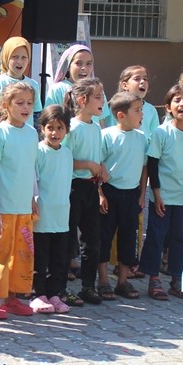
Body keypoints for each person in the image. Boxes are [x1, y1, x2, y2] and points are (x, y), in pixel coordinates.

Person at [138, 84, 183, 301]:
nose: (182, 104)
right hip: (162, 197)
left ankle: (178, 279)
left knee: (181, 238)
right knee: (156, 236)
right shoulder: (161, 132)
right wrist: (156, 194)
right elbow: (153, 164)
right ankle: (154, 278)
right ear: (168, 107)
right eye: (177, 100)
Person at [0, 82, 39, 319]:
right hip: (3, 208)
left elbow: (31, 168)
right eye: (19, 102)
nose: (25, 107)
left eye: (29, 103)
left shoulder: (32, 133)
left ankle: (12, 297)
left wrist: (34, 197)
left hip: (23, 208)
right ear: (6, 105)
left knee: (21, 254)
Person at [95, 91, 147, 301]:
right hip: (109, 192)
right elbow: (98, 165)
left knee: (128, 237)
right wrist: (100, 193)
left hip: (131, 195)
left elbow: (144, 168)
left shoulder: (142, 137)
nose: (141, 114)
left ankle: (123, 281)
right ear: (121, 115)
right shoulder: (106, 136)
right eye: (137, 110)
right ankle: (103, 281)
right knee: (104, 237)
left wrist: (142, 194)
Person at [63, 79, 110, 306]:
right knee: (67, 239)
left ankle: (88, 286)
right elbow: (63, 160)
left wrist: (101, 174)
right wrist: (88, 165)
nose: (103, 102)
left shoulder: (97, 127)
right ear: (82, 100)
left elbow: (97, 158)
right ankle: (60, 288)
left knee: (92, 241)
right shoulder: (72, 128)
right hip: (73, 188)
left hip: (91, 188)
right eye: (98, 97)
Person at [31, 106, 76, 313]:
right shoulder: (38, 151)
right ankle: (38, 294)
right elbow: (33, 180)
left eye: (60, 128)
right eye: (50, 128)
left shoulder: (67, 153)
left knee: (59, 258)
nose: (55, 133)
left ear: (66, 130)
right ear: (42, 128)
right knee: (41, 257)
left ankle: (54, 294)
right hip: (42, 214)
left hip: (61, 214)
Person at [0, 37, 43, 115]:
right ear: (6, 58)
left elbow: (37, 114)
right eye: (15, 57)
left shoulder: (33, 84)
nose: (19, 62)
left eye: (24, 57)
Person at [117, 65, 159, 137]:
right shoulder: (117, 107)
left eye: (145, 79)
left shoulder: (151, 109)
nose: (143, 81)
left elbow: (155, 136)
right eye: (137, 79)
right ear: (125, 85)